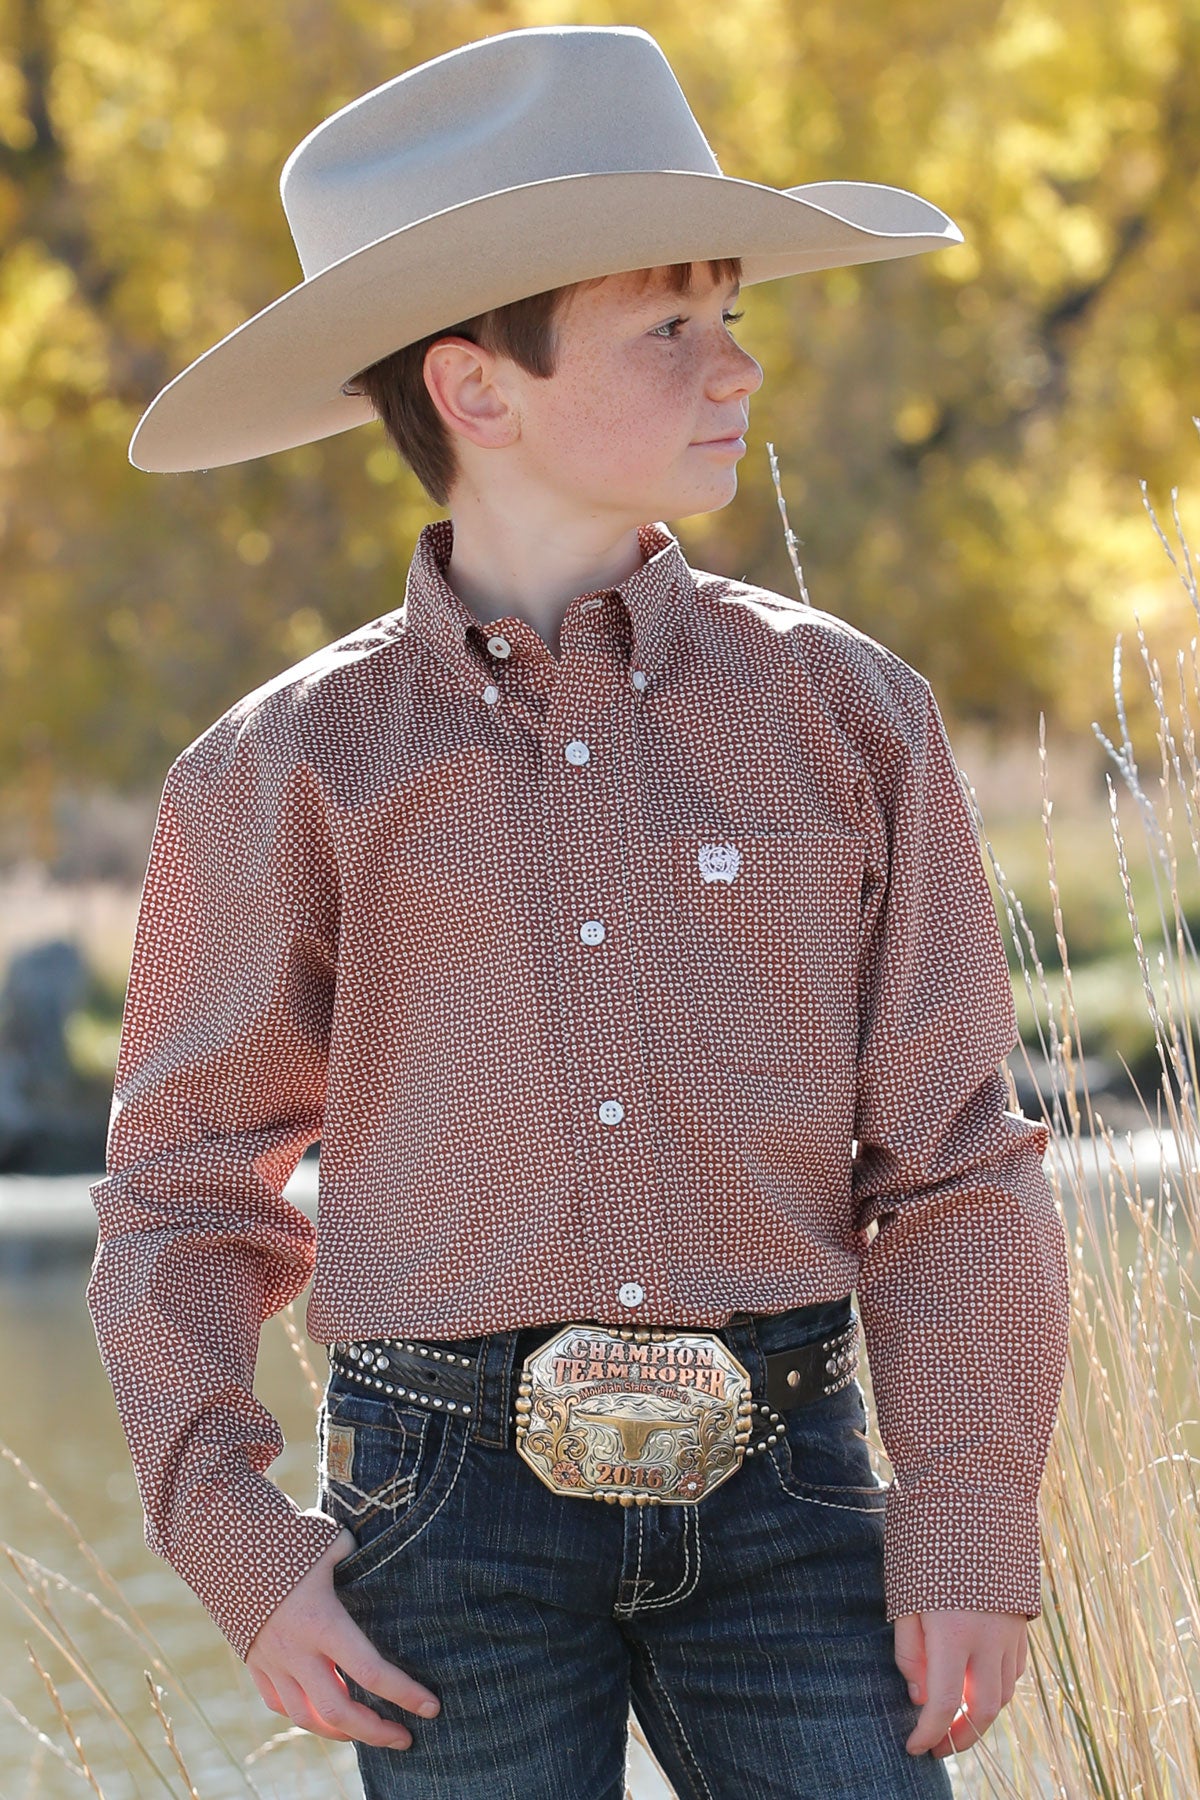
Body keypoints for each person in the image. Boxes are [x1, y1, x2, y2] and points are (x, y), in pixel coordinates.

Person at [87, 23, 1071, 1800]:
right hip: (436, 1525)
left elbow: (952, 1157)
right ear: (477, 389)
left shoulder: (851, 718)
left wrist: (973, 1518)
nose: (740, 365)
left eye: (734, 311)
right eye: (673, 325)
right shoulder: (284, 768)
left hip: (794, 1490)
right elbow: (179, 1185)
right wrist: (239, 1543)